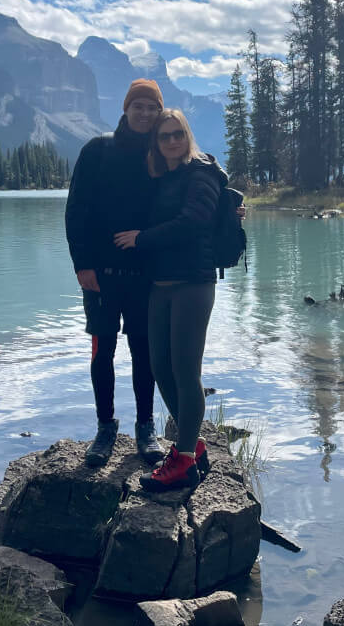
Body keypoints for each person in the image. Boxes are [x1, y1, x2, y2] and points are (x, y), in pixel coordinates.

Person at [113, 109, 226, 491]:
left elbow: (195, 220)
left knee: (185, 370)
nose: (172, 141)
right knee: (160, 367)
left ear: (187, 135)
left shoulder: (201, 172)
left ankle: (183, 462)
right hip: (160, 285)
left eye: (178, 134)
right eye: (165, 136)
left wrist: (142, 238)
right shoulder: (164, 176)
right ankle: (192, 446)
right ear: (157, 143)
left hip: (193, 283)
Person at [65, 79, 168, 467]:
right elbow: (76, 212)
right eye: (138, 106)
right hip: (101, 275)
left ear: (159, 112)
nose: (145, 113)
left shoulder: (163, 153)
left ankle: (145, 427)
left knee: (144, 351)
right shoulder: (97, 150)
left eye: (152, 107)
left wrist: (232, 211)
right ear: (126, 109)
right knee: (101, 350)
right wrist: (82, 266)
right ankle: (105, 428)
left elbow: (196, 188)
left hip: (145, 274)